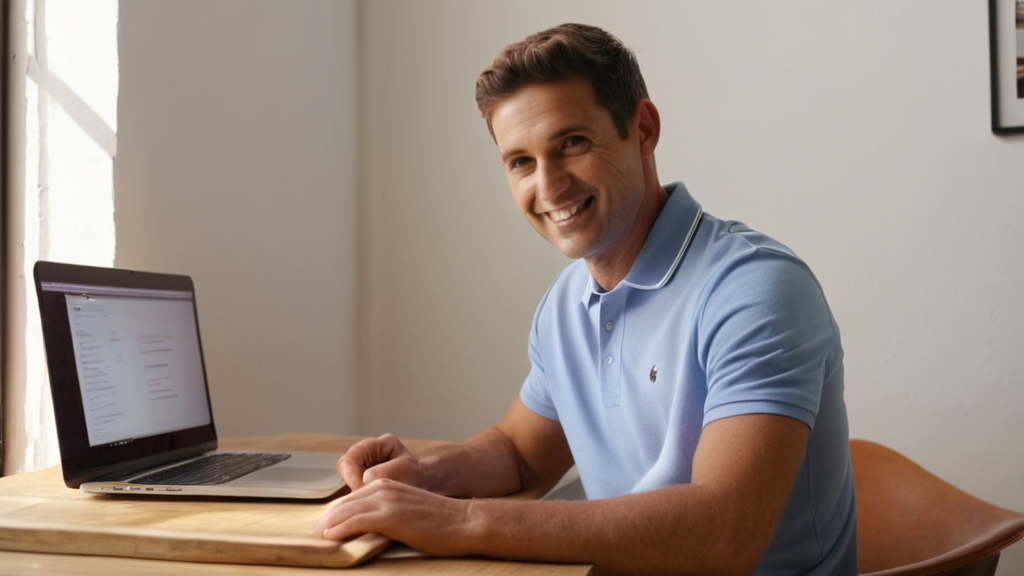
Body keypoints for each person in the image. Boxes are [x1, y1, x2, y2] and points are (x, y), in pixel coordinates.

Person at [313, 23, 857, 575]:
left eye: (571, 143)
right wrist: (424, 477)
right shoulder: (566, 302)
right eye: (520, 161)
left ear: (642, 129)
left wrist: (457, 521)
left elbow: (723, 535)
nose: (548, 188)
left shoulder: (756, 291)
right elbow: (522, 455)